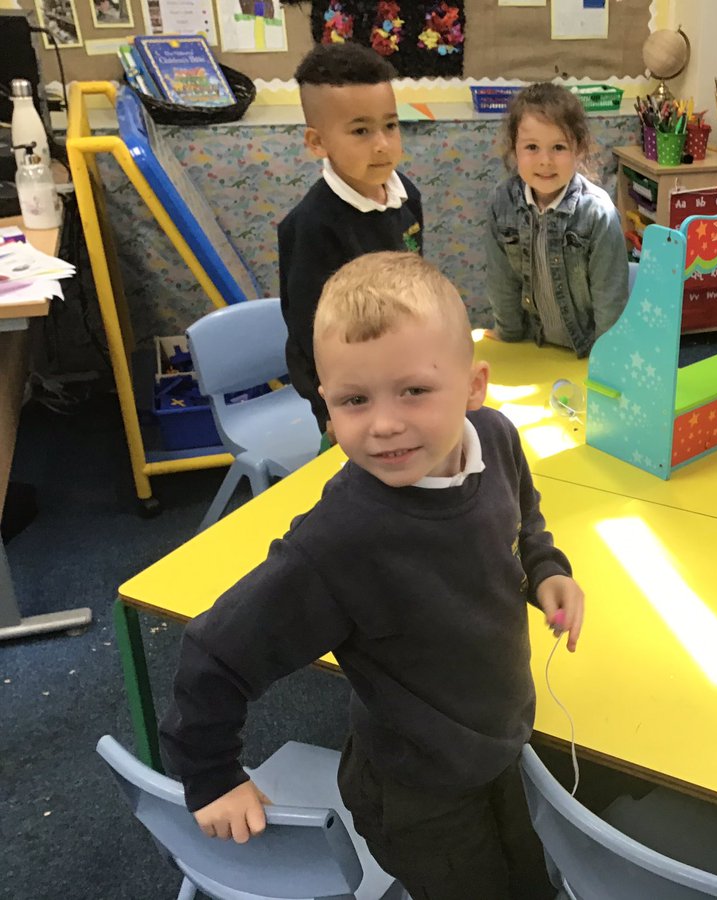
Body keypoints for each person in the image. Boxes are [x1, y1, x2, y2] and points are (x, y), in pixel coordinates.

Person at [160, 252, 584, 900]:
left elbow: (523, 514)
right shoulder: (339, 542)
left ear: (475, 388)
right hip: (419, 791)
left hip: (494, 744)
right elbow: (216, 652)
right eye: (355, 400)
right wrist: (211, 774)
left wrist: (546, 567)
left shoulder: (495, 438)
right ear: (326, 408)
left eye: (413, 390)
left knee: (531, 880)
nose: (384, 423)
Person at [278, 43, 423, 437]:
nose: (382, 143)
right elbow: (310, 332)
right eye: (361, 130)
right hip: (348, 390)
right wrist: (330, 408)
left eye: (390, 125)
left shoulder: (407, 195)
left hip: (402, 367)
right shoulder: (313, 226)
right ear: (317, 142)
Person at [484, 82, 628, 357]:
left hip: (586, 351)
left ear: (579, 149)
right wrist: (509, 336)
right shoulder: (501, 203)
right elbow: (501, 283)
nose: (545, 161)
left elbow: (610, 301)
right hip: (532, 346)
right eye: (532, 147)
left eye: (559, 147)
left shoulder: (597, 214)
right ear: (514, 150)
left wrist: (605, 360)